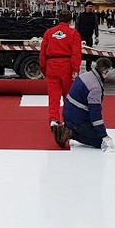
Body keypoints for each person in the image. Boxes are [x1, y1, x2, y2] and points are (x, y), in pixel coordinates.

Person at [57, 58, 115, 152]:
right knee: (99, 142)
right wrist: (103, 136)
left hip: (68, 113)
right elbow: (95, 114)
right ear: (105, 72)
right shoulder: (95, 88)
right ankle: (70, 132)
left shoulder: (85, 75)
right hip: (77, 120)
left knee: (94, 131)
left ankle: (69, 126)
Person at [40, 9, 82, 137]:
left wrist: (43, 69)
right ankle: (68, 120)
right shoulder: (73, 33)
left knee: (54, 96)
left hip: (52, 65)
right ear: (70, 20)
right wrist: (75, 69)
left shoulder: (49, 32)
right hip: (66, 66)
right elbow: (76, 53)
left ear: (58, 19)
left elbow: (42, 53)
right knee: (68, 96)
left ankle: (53, 119)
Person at [75, 3, 100, 70]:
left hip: (89, 37)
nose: (91, 8)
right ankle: (76, 67)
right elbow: (77, 26)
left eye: (92, 6)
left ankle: (88, 67)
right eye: (89, 6)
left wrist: (96, 36)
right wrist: (75, 35)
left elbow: (96, 26)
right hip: (80, 37)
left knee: (89, 53)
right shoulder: (81, 15)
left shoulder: (94, 16)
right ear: (85, 7)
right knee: (78, 53)